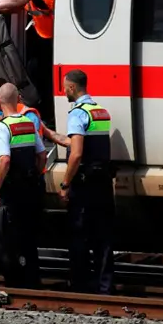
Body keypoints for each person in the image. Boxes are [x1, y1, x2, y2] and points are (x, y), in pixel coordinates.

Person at [45, 69, 116, 294]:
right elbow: (79, 142)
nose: (64, 91)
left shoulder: (76, 113)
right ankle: (105, 285)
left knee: (79, 234)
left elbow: (76, 153)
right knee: (104, 236)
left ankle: (80, 285)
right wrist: (49, 134)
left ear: (72, 88)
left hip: (84, 184)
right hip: (103, 181)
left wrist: (65, 184)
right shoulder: (100, 111)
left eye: (65, 87)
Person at [0, 83, 45, 289]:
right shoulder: (28, 123)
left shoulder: (3, 126)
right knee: (29, 236)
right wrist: (35, 173)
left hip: (12, 189)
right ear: (18, 99)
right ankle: (33, 280)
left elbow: (4, 160)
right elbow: (42, 154)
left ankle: (16, 283)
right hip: (30, 187)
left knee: (12, 236)